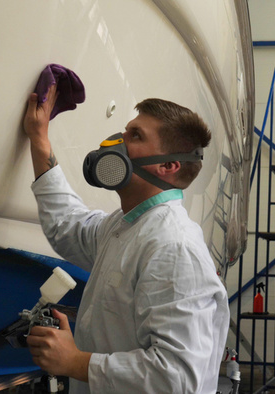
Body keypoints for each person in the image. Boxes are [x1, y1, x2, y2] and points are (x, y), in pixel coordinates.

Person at [24, 84, 229, 393]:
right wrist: (39, 138)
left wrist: (74, 361)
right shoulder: (127, 225)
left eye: (135, 136)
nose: (116, 142)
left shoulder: (174, 247)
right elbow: (68, 226)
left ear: (169, 166)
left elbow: (179, 379)